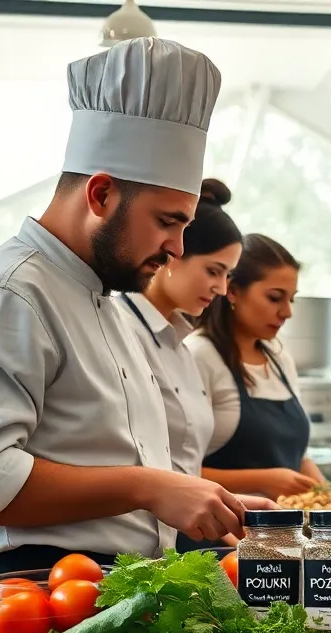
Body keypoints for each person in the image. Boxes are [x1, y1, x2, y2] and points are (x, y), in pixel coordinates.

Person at [0, 39, 274, 633]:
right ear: (100, 194)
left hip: (103, 614)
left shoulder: (104, 298)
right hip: (28, 622)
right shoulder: (9, 292)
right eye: (167, 221)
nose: (176, 246)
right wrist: (148, 486)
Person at [186, 233, 326, 528]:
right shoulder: (199, 355)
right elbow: (176, 472)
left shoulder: (279, 356)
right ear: (233, 291)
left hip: (284, 534)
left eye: (291, 299)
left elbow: (298, 457)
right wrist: (265, 479)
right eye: (275, 298)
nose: (287, 312)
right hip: (220, 537)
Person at [118, 178, 242, 481]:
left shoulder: (181, 345)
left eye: (228, 275)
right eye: (214, 271)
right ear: (175, 253)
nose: (222, 288)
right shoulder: (120, 329)